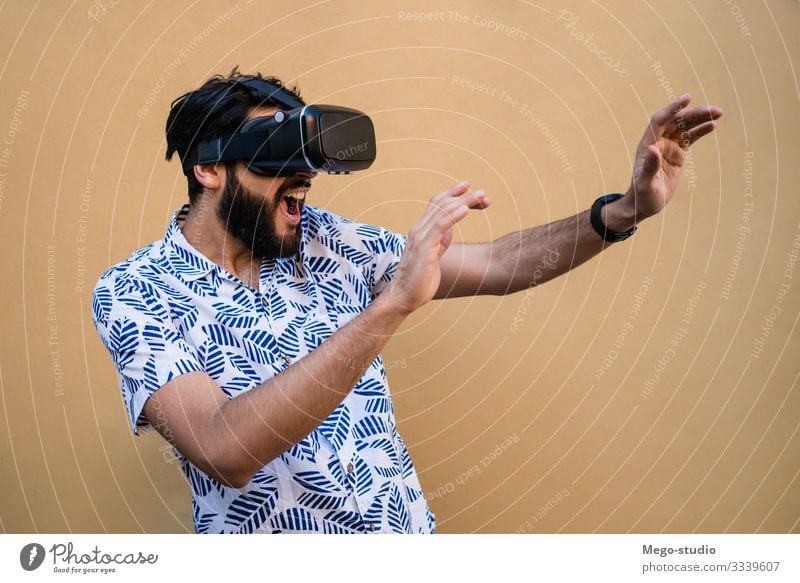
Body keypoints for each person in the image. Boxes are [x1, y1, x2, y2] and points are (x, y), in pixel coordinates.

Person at [92, 68, 722, 534]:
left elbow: (498, 262)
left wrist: (622, 211)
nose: (304, 182)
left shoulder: (326, 240)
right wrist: (391, 304)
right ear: (209, 169)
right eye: (276, 155)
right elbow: (223, 450)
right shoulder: (136, 292)